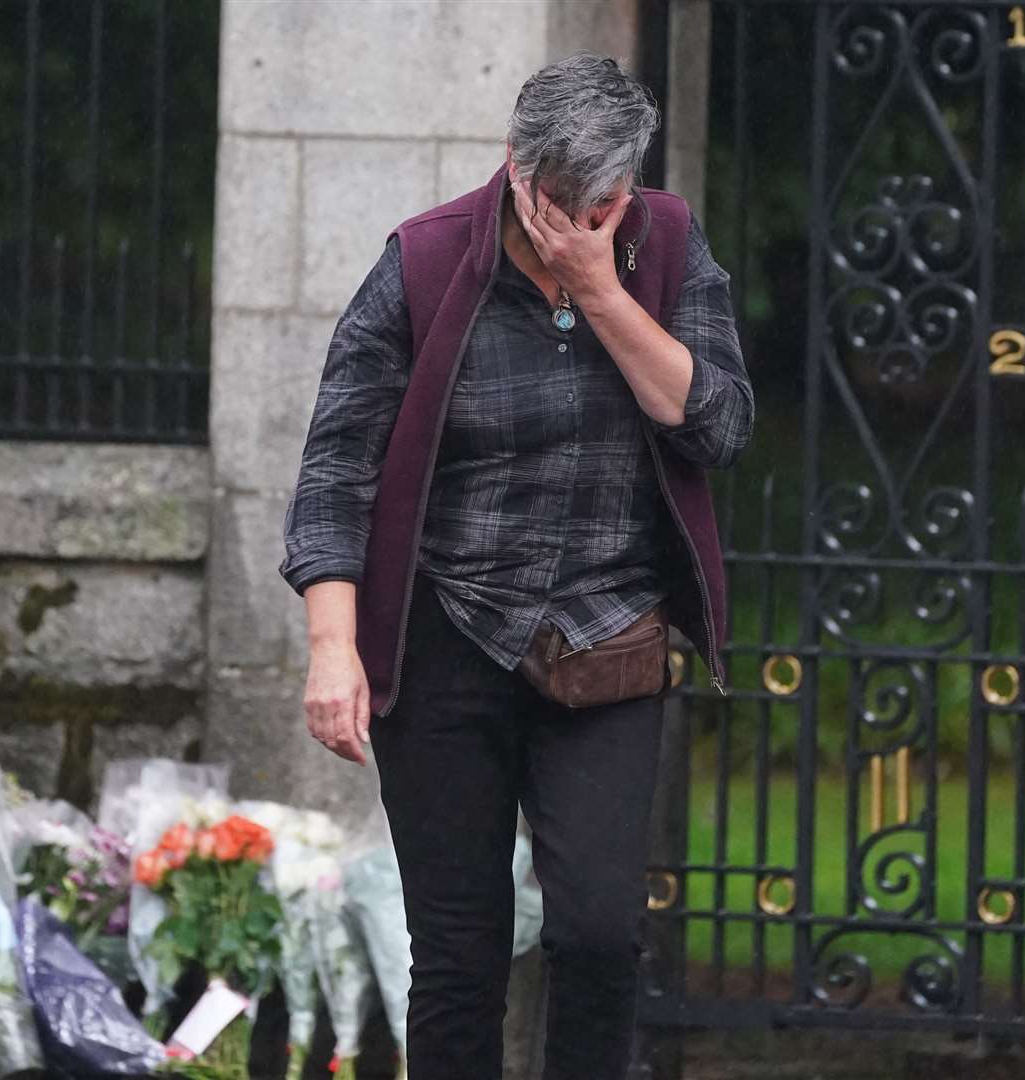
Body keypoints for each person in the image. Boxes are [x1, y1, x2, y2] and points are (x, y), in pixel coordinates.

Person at [279, 52, 753, 1080]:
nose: (583, 226)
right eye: (559, 203)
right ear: (513, 166)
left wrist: (602, 294)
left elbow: (716, 425)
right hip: (451, 635)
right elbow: (334, 474)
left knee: (594, 932)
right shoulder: (422, 261)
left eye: (607, 203)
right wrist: (332, 650)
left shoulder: (664, 247)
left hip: (605, 637)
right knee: (457, 952)